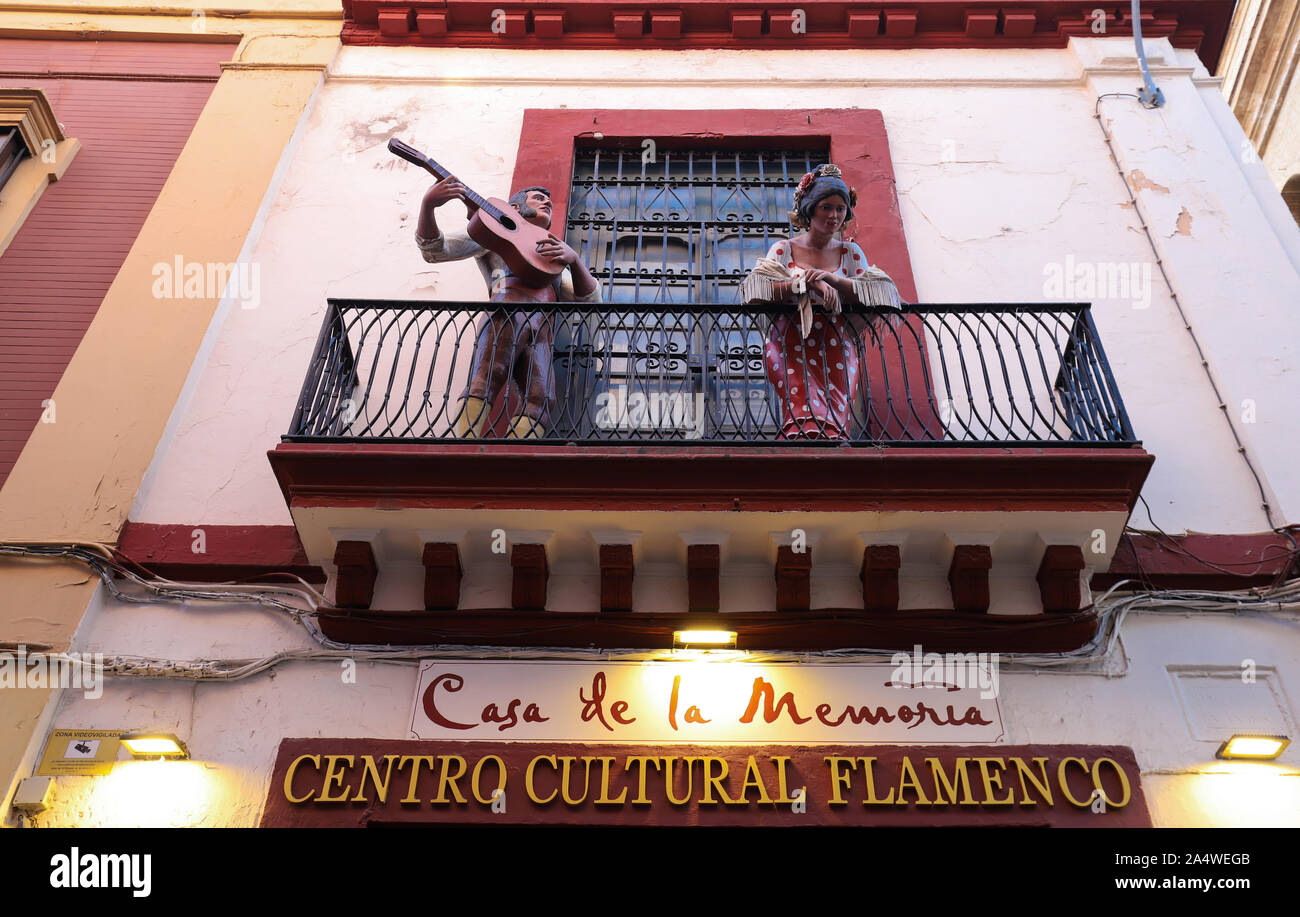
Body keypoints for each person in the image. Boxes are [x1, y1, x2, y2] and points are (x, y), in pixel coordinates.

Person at [416, 178, 600, 438]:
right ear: (514, 207)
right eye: (537, 197)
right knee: (489, 374)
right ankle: (465, 444)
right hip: (507, 310)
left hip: (541, 328)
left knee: (542, 398)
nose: (547, 201)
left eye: (547, 200)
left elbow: (591, 300)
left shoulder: (550, 253)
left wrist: (574, 260)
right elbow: (436, 250)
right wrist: (428, 205)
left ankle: (517, 453)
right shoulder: (494, 234)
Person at [739, 163, 900, 440]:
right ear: (810, 209)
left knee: (835, 417)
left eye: (841, 209)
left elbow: (876, 293)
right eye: (826, 207)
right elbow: (756, 290)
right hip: (790, 340)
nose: (834, 215)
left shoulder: (850, 252)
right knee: (803, 414)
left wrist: (833, 279)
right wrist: (804, 283)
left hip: (837, 343)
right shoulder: (784, 249)